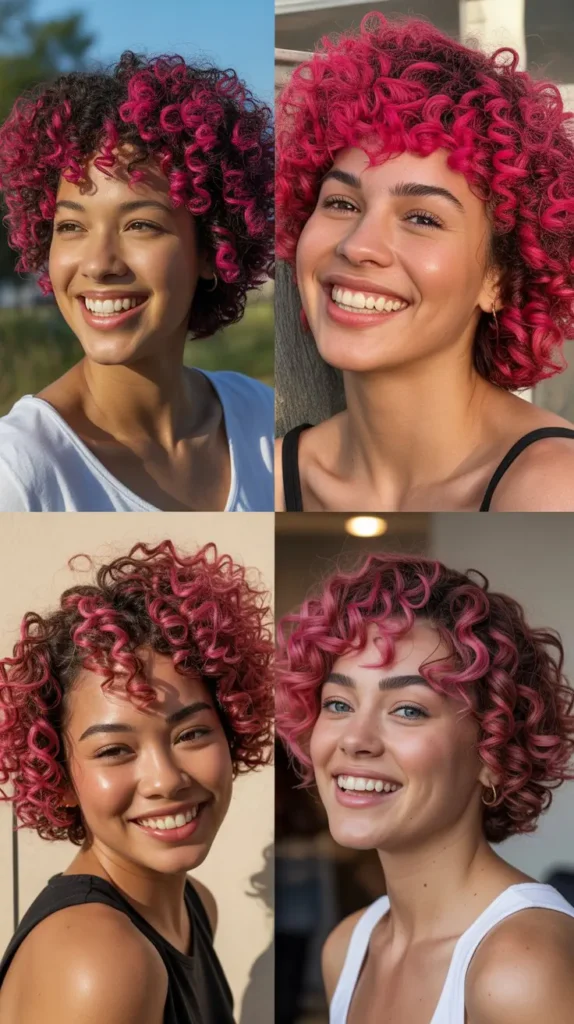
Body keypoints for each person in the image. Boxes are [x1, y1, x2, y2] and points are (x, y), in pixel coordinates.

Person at [275, 13, 574, 511]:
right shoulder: (265, 482)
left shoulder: (553, 490)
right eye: (342, 204)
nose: (358, 245)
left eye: (422, 218)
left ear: (500, 278)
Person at [276, 553, 574, 1022]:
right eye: (337, 703)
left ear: (494, 754)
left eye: (408, 710)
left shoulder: (520, 969)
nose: (354, 739)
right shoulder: (348, 947)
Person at [0, 539, 273, 1024]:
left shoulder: (195, 908)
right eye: (114, 750)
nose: (165, 780)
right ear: (57, 776)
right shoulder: (100, 959)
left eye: (190, 733)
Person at [0, 52, 274, 511]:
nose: (99, 264)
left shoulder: (263, 417)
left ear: (212, 248)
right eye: (71, 227)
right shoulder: (19, 472)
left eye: (140, 225)